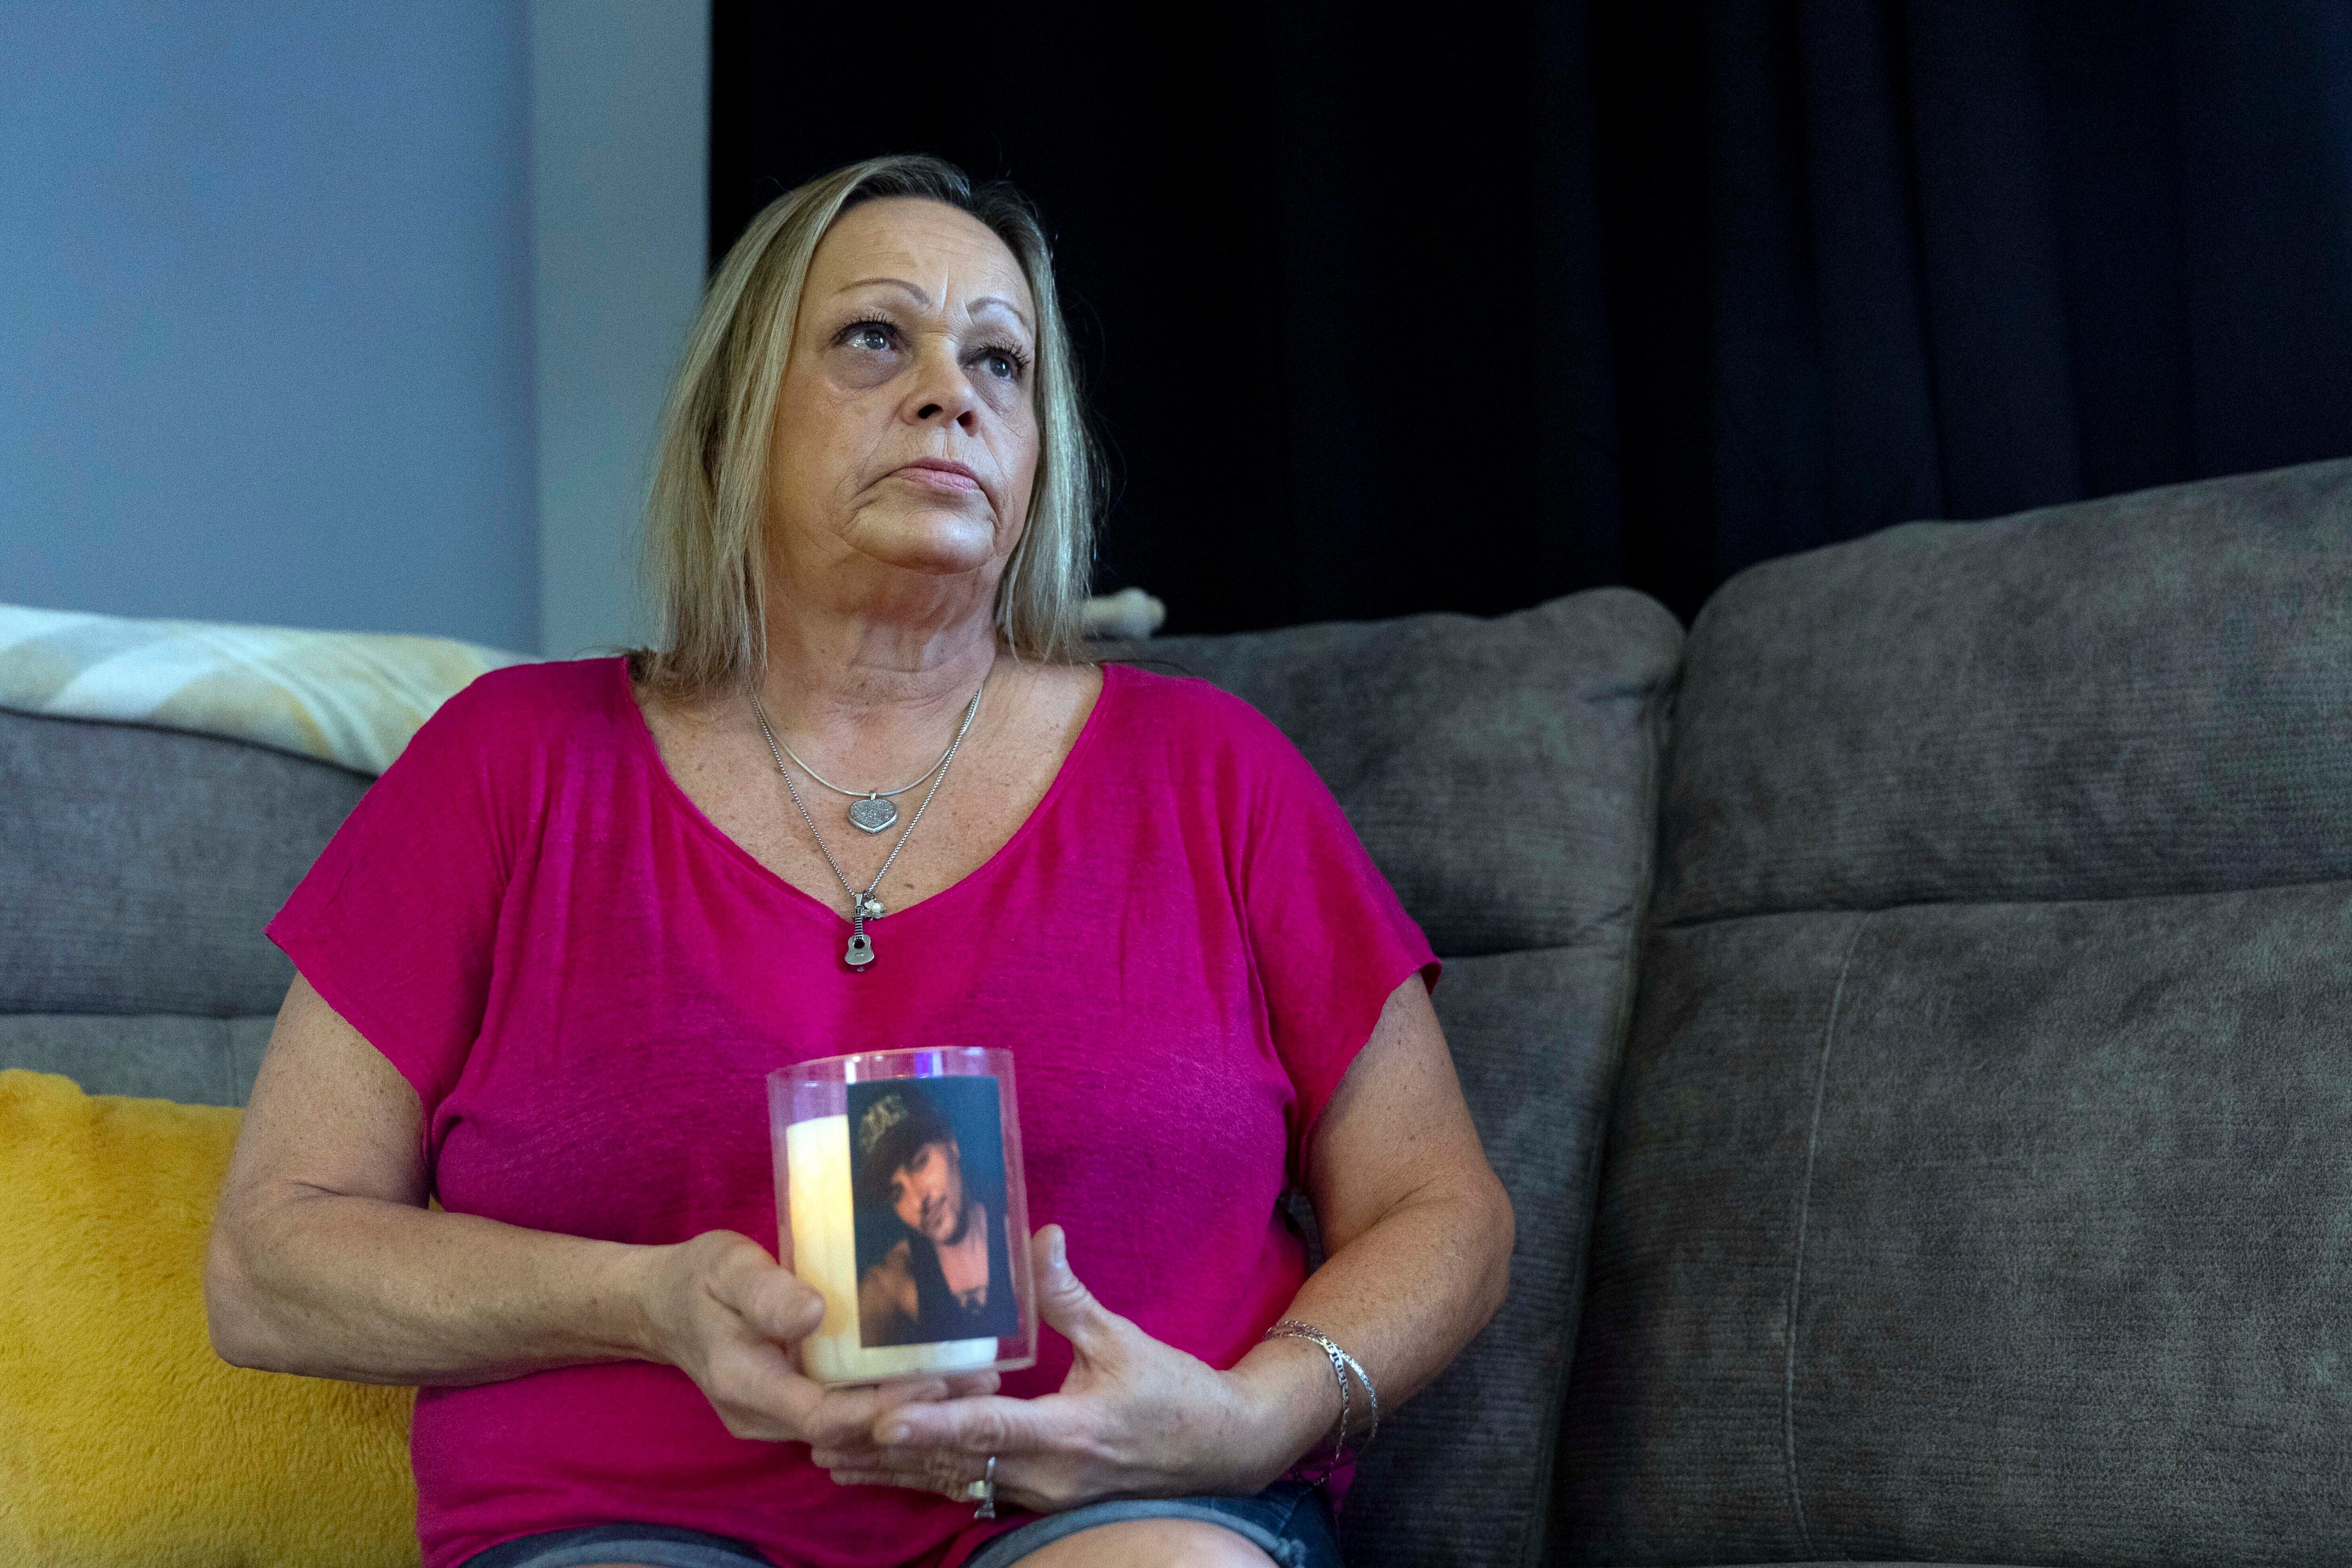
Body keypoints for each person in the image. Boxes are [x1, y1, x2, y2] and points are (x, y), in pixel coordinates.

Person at [204, 153, 1514, 1568]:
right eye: (875, 337)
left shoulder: (1212, 774)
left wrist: (1249, 1416)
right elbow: (270, 1264)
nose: (951, 390)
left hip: (1125, 1511)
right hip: (625, 1524)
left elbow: (1442, 1206)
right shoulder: (505, 764)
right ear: (736, 418)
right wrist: (648, 1300)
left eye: (1000, 362)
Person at [853, 1087, 1018, 1348]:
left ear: (952, 1146)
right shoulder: (898, 1275)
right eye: (897, 1193)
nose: (918, 1201)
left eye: (919, 1163)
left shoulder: (1016, 1237)